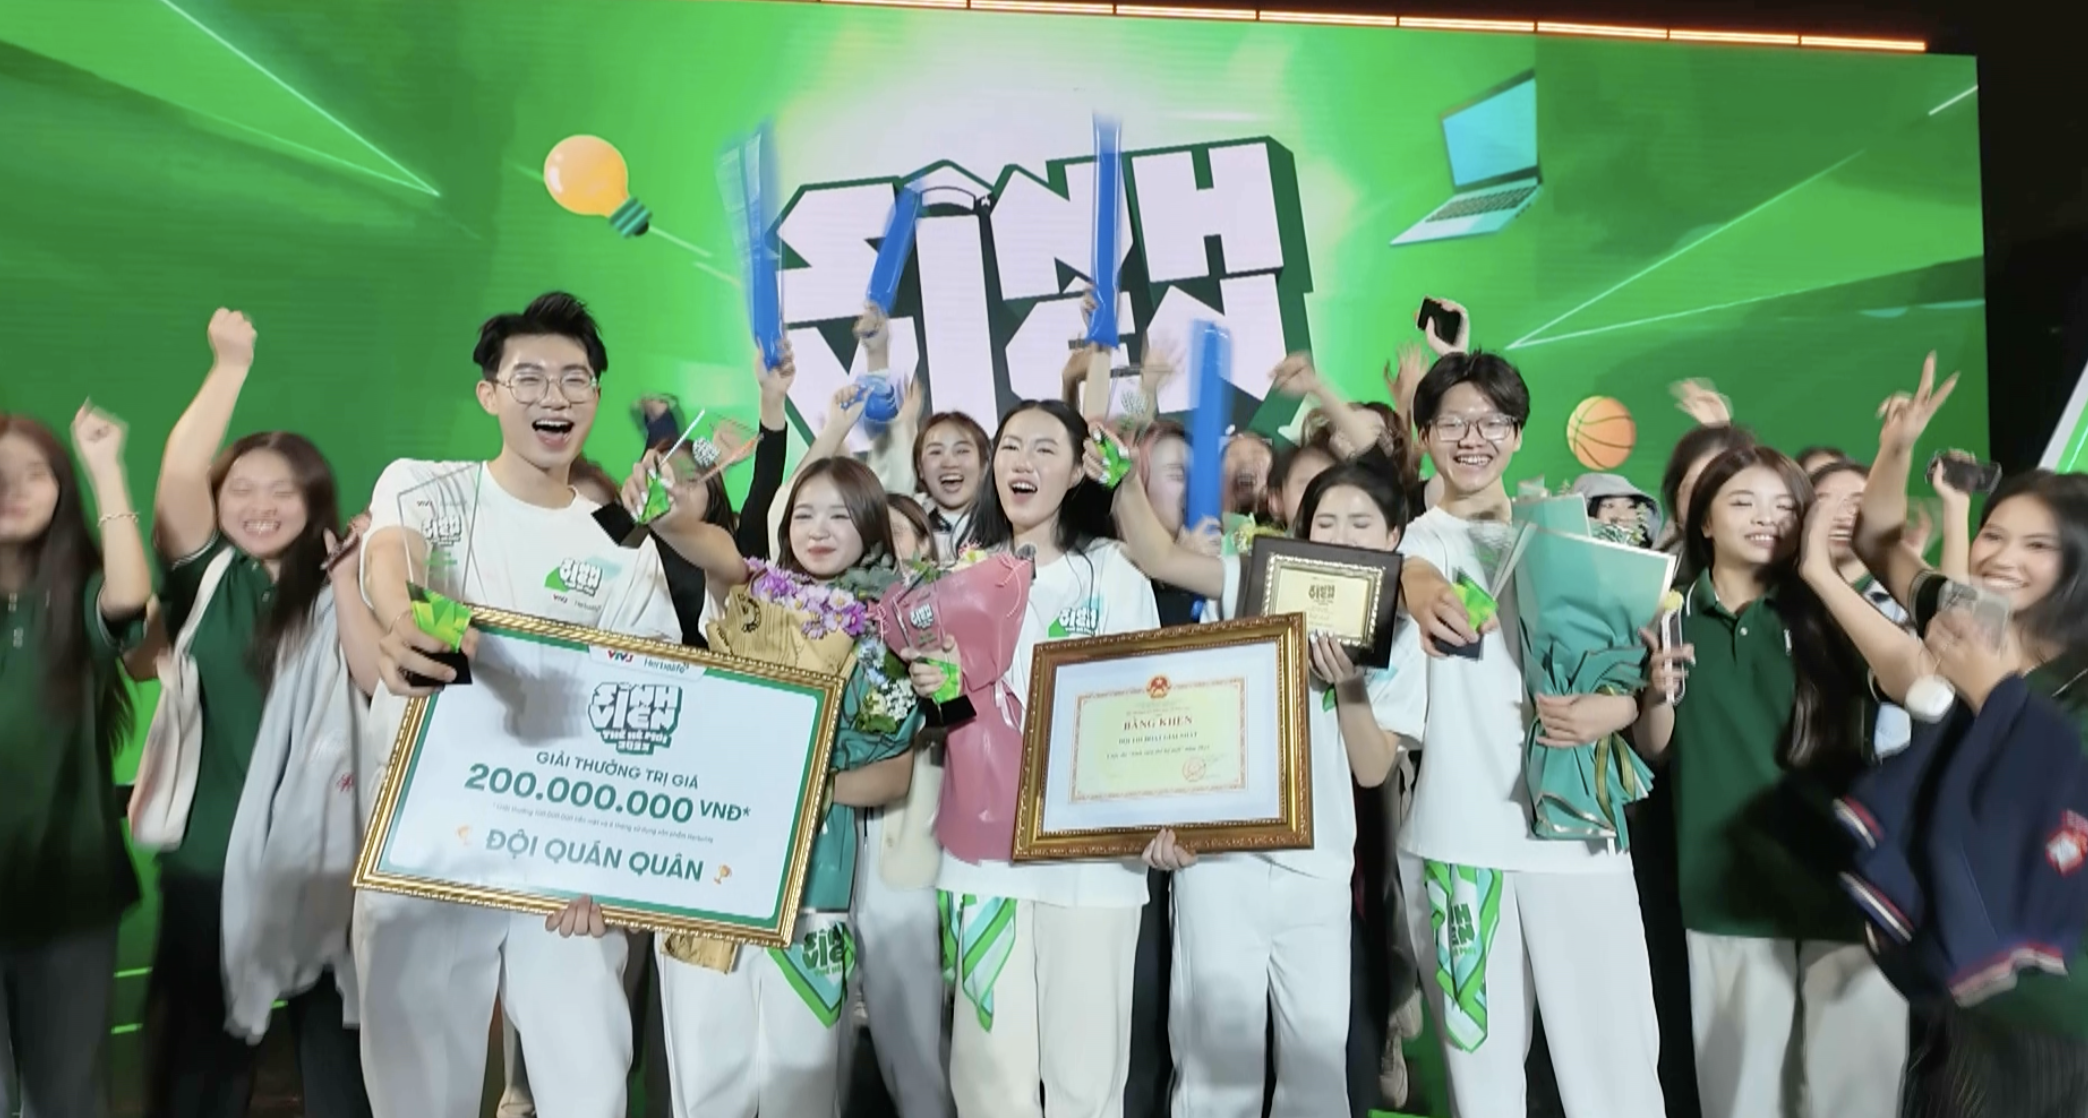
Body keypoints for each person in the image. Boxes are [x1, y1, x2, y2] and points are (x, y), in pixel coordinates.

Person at [354, 292, 682, 1118]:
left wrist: (608, 856)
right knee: (417, 1094)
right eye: (528, 378)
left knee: (588, 1087)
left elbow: (642, 710)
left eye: (575, 380)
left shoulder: (622, 547)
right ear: (489, 394)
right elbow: (393, 561)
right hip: (432, 843)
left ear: (596, 398)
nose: (553, 397)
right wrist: (404, 623)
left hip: (562, 860)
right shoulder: (429, 488)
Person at [1104, 446, 1424, 1118]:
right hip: (1221, 859)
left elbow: (1372, 768)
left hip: (1318, 868)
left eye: (1361, 523)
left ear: (1394, 536)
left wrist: (1349, 685)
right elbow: (1158, 558)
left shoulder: (1400, 633)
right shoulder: (1255, 576)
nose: (1341, 535)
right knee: (1215, 1066)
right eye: (1326, 521)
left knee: (1316, 1064)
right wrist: (1123, 471)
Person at [1395, 350, 1666, 1118]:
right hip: (1462, 842)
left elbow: (1634, 669)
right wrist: (1424, 595)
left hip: (1578, 832)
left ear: (1516, 435)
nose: (1472, 439)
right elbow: (1414, 578)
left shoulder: (1572, 537)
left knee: (1616, 1066)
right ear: (1425, 436)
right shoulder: (1421, 543)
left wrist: (1622, 709)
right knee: (1481, 1080)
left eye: (1492, 423)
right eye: (1453, 423)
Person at [638, 453, 923, 1118]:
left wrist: (796, 789)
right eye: (804, 514)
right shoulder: (757, 598)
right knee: (708, 1089)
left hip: (815, 892)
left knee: (803, 1091)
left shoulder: (890, 636)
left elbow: (893, 774)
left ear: (871, 527)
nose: (818, 529)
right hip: (714, 881)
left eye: (839, 515)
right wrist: (667, 516)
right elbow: (716, 551)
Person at [143, 309, 374, 1118]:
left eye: (283, 490)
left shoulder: (354, 586)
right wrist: (229, 367)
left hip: (330, 864)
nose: (261, 505)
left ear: (316, 501)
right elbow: (179, 474)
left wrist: (352, 578)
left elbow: (382, 684)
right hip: (211, 863)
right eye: (241, 489)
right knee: (199, 1078)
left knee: (342, 1071)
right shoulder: (211, 578)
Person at [1848, 355, 2088, 1116]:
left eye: (2038, 546)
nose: (2002, 558)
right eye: (1993, 534)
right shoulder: (1970, 621)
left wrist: (1991, 689)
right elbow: (1879, 542)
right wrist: (1897, 447)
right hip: (1958, 991)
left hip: (2060, 1010)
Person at [1634, 445, 1903, 1118]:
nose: (1766, 519)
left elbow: (1912, 684)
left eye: (1785, 506)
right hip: (1728, 895)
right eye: (1743, 502)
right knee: (1743, 1098)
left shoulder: (1829, 611)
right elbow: (1655, 750)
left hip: (1846, 887)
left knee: (1856, 1099)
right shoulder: (1669, 614)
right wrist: (1656, 692)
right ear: (1703, 520)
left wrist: (1824, 576)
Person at [922, 397, 1160, 1118]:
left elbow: (1149, 707)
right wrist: (938, 691)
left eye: (1044, 449)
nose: (1021, 463)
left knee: (1086, 1078)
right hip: (984, 864)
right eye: (1010, 447)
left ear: (1079, 470)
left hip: (1093, 863)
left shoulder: (1114, 574)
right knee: (989, 1079)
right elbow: (949, 726)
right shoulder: (958, 580)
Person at [0, 406, 149, 1118]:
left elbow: (128, 597)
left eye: (35, 474)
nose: (14, 490)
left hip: (70, 902)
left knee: (66, 1100)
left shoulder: (75, 595)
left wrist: (105, 467)